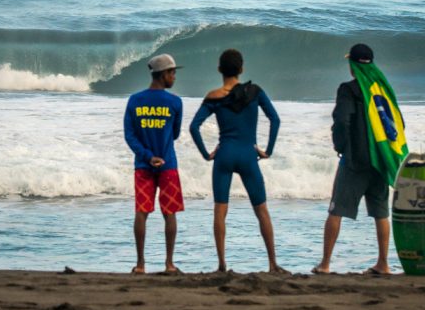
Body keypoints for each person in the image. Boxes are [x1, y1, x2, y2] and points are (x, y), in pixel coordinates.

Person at [189, 49, 289, 274]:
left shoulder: (213, 97)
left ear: (219, 70)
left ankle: (222, 264)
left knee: (220, 211)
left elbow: (193, 127)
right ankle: (273, 264)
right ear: (242, 69)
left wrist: (206, 154)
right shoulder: (255, 91)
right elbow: (275, 119)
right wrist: (268, 151)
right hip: (248, 155)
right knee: (261, 210)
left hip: (224, 155)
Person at [313, 43, 407, 276]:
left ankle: (325, 264)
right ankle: (383, 263)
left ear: (352, 65)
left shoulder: (349, 90)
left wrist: (341, 146)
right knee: (380, 212)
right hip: (381, 159)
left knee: (336, 210)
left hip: (355, 161)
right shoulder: (383, 91)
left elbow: (342, 121)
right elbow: (398, 123)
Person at [123, 53, 184, 275]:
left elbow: (130, 136)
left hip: (143, 165)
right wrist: (158, 152)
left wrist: (147, 156)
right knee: (170, 213)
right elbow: (175, 134)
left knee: (142, 212)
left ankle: (140, 264)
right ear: (163, 74)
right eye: (172, 73)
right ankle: (169, 263)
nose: (174, 77)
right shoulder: (175, 102)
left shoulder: (135, 100)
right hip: (168, 164)